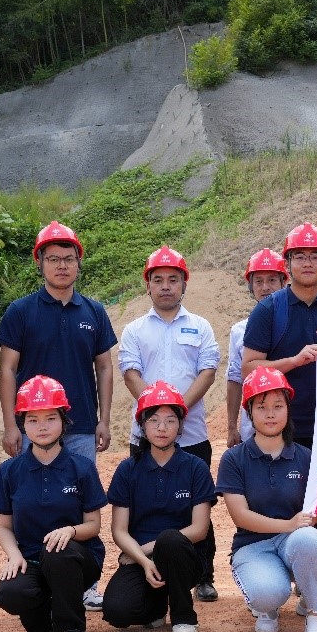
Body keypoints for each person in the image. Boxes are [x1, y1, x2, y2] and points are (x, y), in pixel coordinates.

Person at [0, 220, 117, 612]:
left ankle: (86, 583)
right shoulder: (21, 312)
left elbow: (104, 367)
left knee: (80, 505)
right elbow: (8, 369)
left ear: (79, 263)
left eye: (68, 258)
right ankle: (34, 574)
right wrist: (11, 424)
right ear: (40, 263)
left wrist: (103, 418)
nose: (61, 265)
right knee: (33, 502)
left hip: (80, 425)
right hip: (33, 426)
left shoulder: (94, 312)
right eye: (53, 259)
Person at [242, 222, 317, 621]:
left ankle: (316, 593)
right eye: (300, 256)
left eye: (315, 256)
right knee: (276, 504)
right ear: (287, 263)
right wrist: (294, 361)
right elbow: (250, 366)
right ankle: (267, 585)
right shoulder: (270, 310)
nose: (308, 263)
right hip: (278, 429)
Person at [117, 245, 221, 603]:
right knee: (142, 505)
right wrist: (156, 416)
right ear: (148, 285)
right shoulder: (134, 330)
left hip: (192, 435)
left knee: (198, 506)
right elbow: (130, 374)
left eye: (173, 279)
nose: (165, 286)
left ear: (184, 284)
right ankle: (140, 567)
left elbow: (207, 372)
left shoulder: (201, 327)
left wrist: (177, 413)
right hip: (146, 436)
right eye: (158, 279)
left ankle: (203, 575)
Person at [0, 375, 107, 632]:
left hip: (76, 559)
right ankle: (47, 613)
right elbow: (4, 527)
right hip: (30, 559)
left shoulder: (82, 467)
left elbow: (93, 524)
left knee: (58, 551)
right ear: (23, 424)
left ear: (64, 421)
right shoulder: (9, 472)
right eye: (33, 420)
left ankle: (73, 628)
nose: (42, 427)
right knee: (11, 594)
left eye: (50, 418)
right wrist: (14, 556)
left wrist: (70, 531)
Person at [218, 367, 317, 632]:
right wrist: (289, 524)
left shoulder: (306, 457)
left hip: (295, 541)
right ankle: (268, 607)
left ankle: (315, 613)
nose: (270, 414)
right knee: (267, 594)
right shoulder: (234, 459)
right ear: (249, 412)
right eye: (262, 407)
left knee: (309, 539)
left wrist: (306, 521)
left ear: (288, 410)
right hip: (253, 545)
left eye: (278, 406)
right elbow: (240, 516)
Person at [102, 382, 214, 632]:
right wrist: (143, 561)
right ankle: (157, 605)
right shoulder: (128, 469)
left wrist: (145, 550)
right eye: (153, 420)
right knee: (117, 612)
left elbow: (199, 529)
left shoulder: (195, 467)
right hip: (140, 560)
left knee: (170, 539)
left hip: (184, 558)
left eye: (170, 420)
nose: (162, 428)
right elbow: (119, 530)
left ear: (180, 425)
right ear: (142, 425)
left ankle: (184, 616)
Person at [226, 249, 288, 449]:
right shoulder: (239, 331)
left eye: (272, 280)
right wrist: (231, 427)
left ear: (284, 283)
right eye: (258, 281)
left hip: (291, 427)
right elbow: (235, 378)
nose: (265, 287)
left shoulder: (293, 324)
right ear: (250, 287)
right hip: (251, 429)